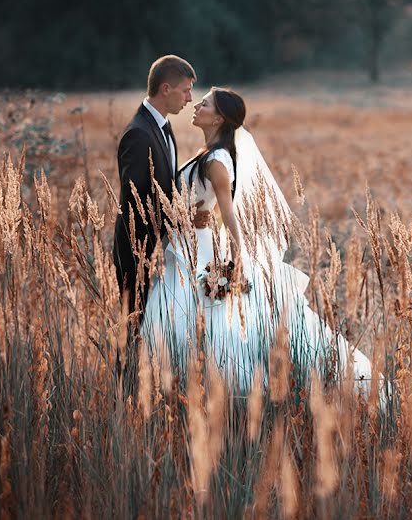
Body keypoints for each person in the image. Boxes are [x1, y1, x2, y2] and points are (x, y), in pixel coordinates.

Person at [142, 87, 375, 392]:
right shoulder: (206, 154)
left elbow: (229, 215)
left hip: (197, 252)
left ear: (219, 118)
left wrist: (237, 262)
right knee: (181, 323)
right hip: (187, 245)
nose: (197, 105)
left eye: (206, 104)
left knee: (195, 323)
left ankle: (221, 391)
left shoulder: (216, 161)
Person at [113, 55, 210, 323]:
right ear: (165, 89)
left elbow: (163, 188)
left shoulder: (162, 127)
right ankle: (127, 367)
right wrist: (180, 218)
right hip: (137, 251)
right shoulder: (139, 133)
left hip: (159, 248)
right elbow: (137, 199)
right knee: (134, 328)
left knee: (152, 329)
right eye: (186, 90)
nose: (189, 98)